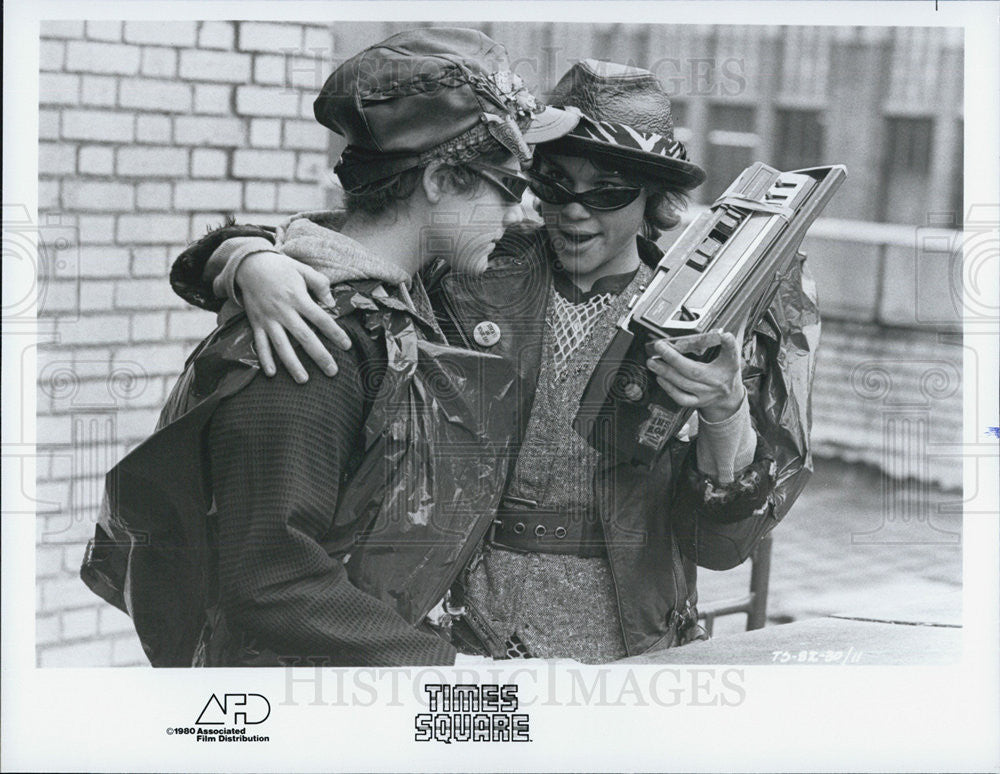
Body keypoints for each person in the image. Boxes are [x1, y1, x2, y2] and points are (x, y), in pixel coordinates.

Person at [169, 59, 820, 663]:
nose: (571, 210)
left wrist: (725, 412)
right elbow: (350, 240)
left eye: (607, 193)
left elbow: (725, 544)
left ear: (655, 199)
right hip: (462, 626)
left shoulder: (709, 320)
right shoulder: (471, 264)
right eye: (553, 184)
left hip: (630, 636)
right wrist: (248, 259)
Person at [80, 28, 581, 667]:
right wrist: (455, 673)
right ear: (440, 179)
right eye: (508, 187)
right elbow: (273, 581)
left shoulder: (391, 294)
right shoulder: (314, 344)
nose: (520, 215)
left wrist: (238, 253)